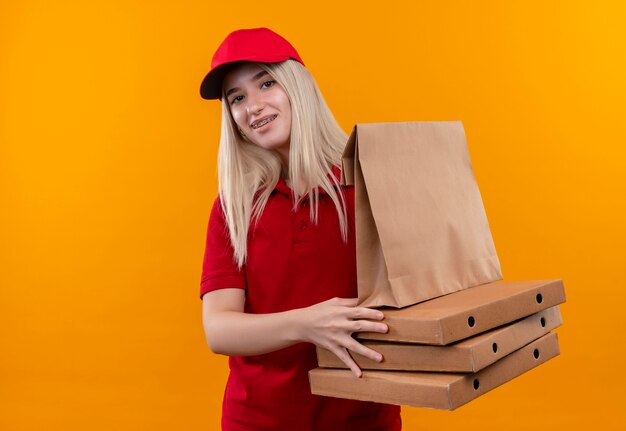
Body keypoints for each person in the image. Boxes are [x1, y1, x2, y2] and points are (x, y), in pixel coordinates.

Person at [198, 27, 401, 430]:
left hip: (363, 417)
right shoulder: (234, 208)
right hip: (255, 421)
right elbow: (219, 329)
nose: (252, 106)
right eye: (237, 98)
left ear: (299, 87)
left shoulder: (369, 186)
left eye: (267, 83)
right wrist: (306, 324)